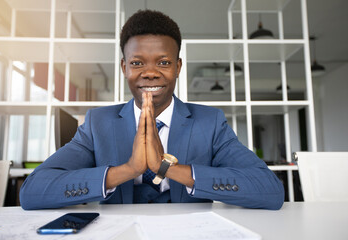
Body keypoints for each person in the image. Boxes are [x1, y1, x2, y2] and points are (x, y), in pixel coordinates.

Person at [20, 10, 284, 210]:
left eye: (163, 62)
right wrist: (129, 169)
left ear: (178, 67)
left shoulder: (209, 122)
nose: (149, 73)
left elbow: (270, 190)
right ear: (124, 68)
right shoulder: (98, 123)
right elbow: (32, 191)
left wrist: (166, 168)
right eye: (137, 63)